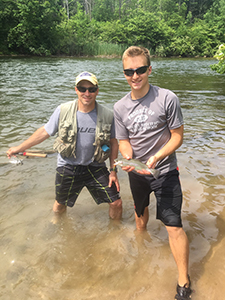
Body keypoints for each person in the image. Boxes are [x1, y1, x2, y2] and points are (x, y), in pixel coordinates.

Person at [113, 46, 192, 299]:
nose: (134, 76)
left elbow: (177, 137)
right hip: (136, 172)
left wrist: (157, 157)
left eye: (139, 70)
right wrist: (126, 157)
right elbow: (123, 141)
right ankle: (142, 248)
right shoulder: (120, 107)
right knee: (140, 215)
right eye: (129, 71)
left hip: (165, 170)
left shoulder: (167, 98)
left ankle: (183, 279)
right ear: (124, 73)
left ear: (149, 69)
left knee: (173, 225)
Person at [7, 71, 122, 220]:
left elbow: (114, 143)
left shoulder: (107, 114)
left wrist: (113, 171)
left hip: (95, 165)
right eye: (82, 89)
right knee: (60, 204)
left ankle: (117, 234)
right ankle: (57, 228)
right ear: (76, 90)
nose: (87, 93)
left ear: (97, 91)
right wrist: (19, 148)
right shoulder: (63, 110)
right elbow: (44, 132)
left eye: (91, 89)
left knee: (116, 202)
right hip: (68, 165)